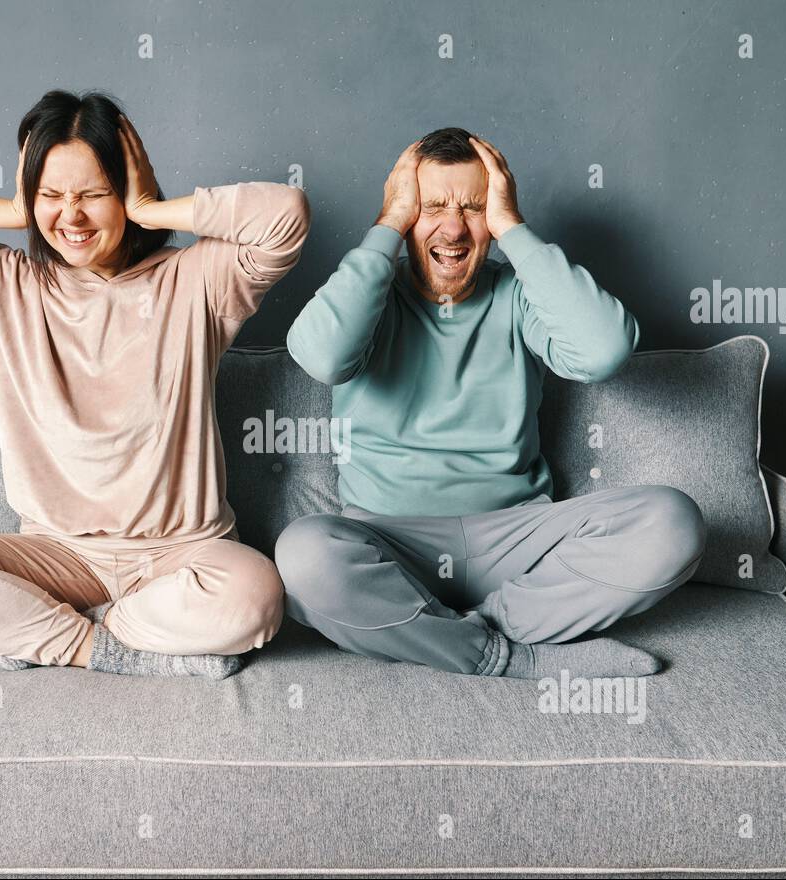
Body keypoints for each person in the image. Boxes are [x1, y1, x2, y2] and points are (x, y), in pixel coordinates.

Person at [0, 89, 310, 679]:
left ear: (126, 191)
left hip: (181, 554)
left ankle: (41, 631)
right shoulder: (2, 282)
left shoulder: (200, 280)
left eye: (94, 194)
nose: (71, 217)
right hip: (57, 556)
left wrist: (153, 208)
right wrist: (12, 211)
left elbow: (286, 215)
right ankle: (108, 648)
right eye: (51, 196)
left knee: (254, 593)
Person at [275, 128, 706, 679]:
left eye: (473, 208)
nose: (453, 228)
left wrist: (513, 229)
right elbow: (321, 357)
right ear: (405, 214)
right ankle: (501, 655)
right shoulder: (369, 297)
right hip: (392, 542)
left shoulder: (518, 293)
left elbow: (604, 350)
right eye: (432, 206)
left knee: (673, 522)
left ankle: (450, 630)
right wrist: (386, 226)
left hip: (519, 539)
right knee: (305, 555)